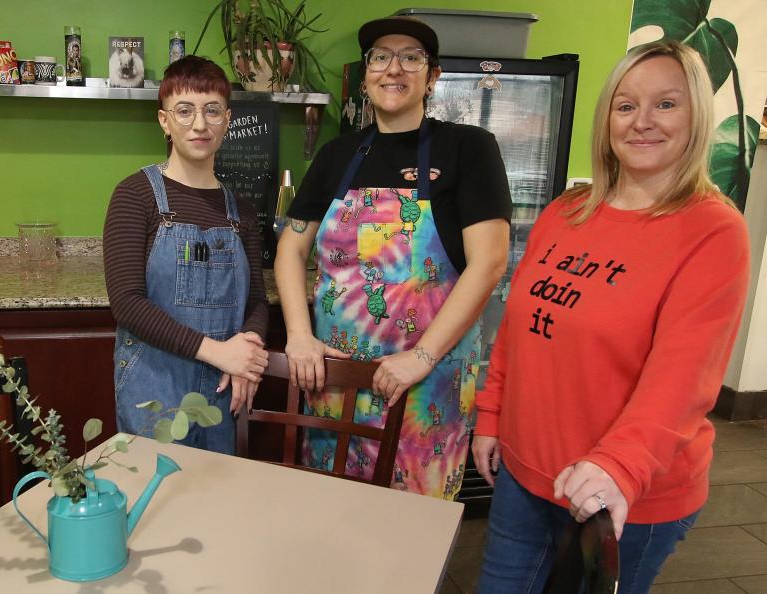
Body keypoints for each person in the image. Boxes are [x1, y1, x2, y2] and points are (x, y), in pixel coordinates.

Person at [473, 40, 751, 593]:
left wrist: (618, 467)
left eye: (666, 104)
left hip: (622, 497)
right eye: (626, 106)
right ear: (607, 120)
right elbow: (519, 329)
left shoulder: (713, 231)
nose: (642, 121)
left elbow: (682, 380)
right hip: (525, 476)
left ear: (696, 114)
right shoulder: (566, 212)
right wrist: (491, 415)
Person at [275, 16, 511, 497]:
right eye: (381, 57)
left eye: (411, 57)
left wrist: (420, 358)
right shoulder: (337, 155)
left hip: (424, 383)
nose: (393, 68)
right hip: (336, 384)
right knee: (330, 512)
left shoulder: (469, 148)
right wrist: (300, 335)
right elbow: (290, 247)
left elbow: (488, 262)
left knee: (409, 531)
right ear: (366, 75)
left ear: (434, 75)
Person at [103, 55, 269, 454]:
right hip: (154, 387)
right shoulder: (135, 195)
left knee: (216, 503)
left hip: (221, 390)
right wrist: (222, 354)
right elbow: (126, 304)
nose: (199, 124)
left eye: (212, 111)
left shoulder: (241, 212)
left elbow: (258, 301)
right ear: (165, 121)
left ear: (227, 119)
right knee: (158, 502)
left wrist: (248, 353)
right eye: (185, 110)